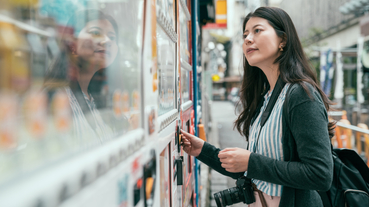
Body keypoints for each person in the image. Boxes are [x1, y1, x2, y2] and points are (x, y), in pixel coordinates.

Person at [181, 7, 335, 207]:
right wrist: (202, 150)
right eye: (245, 34)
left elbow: (320, 175)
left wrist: (251, 162)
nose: (248, 39)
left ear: (283, 40)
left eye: (257, 31)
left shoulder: (301, 95)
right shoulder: (266, 97)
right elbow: (250, 167)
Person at [44, 9, 129, 144]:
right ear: (72, 42)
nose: (106, 40)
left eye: (112, 37)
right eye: (95, 33)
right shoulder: (57, 98)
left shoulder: (95, 98)